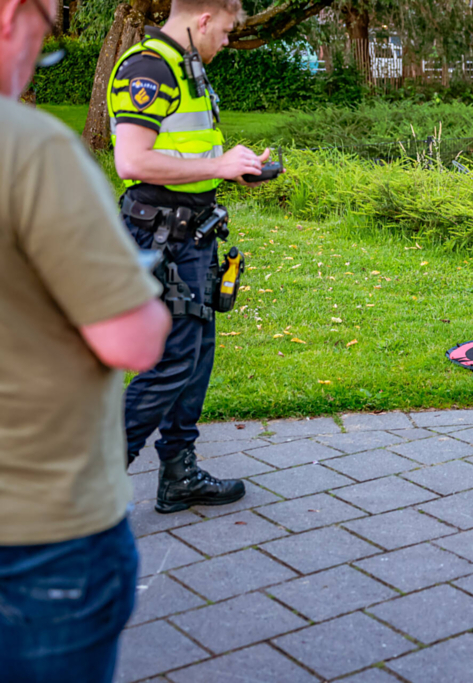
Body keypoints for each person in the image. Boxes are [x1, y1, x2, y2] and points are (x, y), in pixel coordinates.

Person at [0, 0, 171, 677]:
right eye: (52, 28)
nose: (46, 49)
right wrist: (145, 296)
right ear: (12, 12)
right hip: (38, 533)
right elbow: (131, 343)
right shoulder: (29, 147)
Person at [108, 0, 271, 513]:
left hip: (193, 235)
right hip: (162, 235)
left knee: (195, 354)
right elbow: (131, 159)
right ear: (203, 19)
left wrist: (230, 166)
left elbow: (185, 151)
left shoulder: (187, 67)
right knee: (173, 358)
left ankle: (179, 474)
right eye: (224, 31)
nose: (226, 41)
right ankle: (87, 483)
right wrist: (216, 164)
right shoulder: (149, 66)